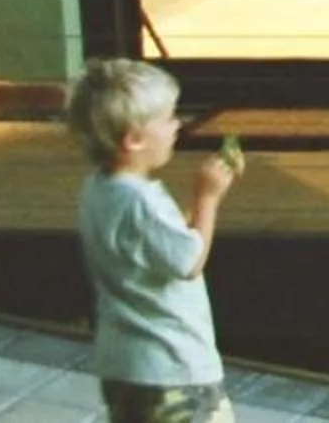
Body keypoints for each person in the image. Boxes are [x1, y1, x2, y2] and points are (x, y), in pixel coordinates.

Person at [65, 57, 244, 423]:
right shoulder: (143, 202)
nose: (177, 125)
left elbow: (163, 244)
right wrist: (206, 199)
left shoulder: (99, 189)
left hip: (124, 364)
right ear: (134, 138)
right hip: (172, 366)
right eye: (167, 118)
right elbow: (188, 261)